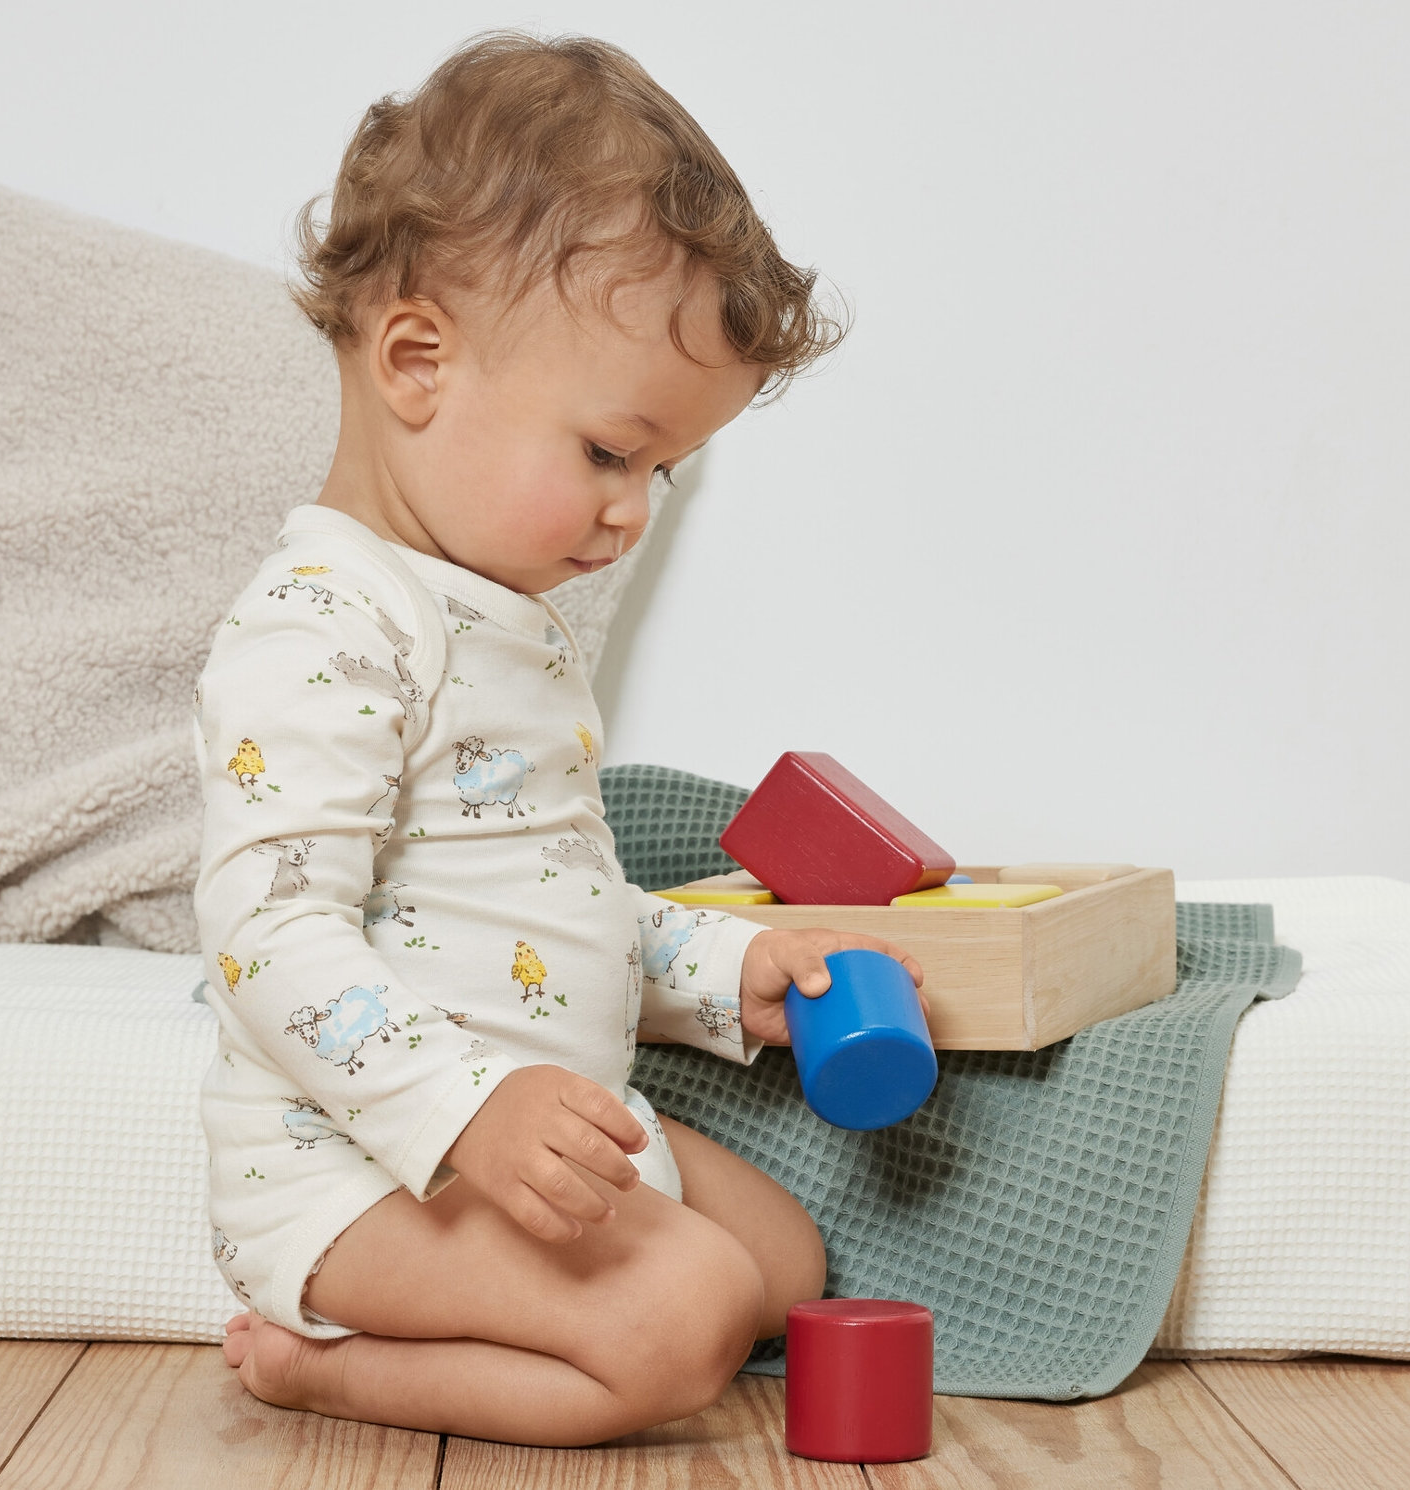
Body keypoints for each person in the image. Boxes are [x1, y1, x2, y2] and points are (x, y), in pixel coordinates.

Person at [198, 30, 927, 1448]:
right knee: (685, 1320)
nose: (632, 511)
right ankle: (319, 1365)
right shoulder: (321, 623)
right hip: (360, 1170)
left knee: (781, 1264)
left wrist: (722, 974)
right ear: (417, 362)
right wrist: (467, 1111)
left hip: (521, 1126)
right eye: (607, 452)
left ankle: (558, 1296)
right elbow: (266, 935)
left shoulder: (506, 624)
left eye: (663, 471)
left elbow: (542, 909)